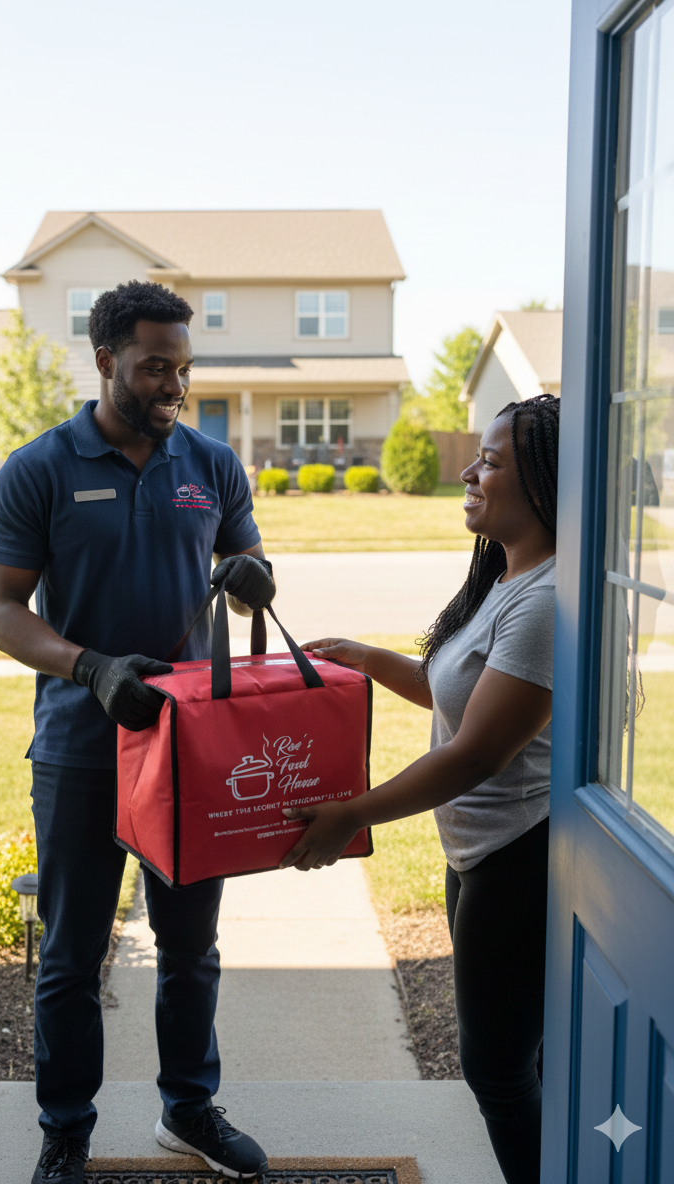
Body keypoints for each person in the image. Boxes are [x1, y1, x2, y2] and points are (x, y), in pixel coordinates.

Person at [0, 280, 272, 1184]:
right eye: (153, 367)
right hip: (82, 745)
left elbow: (243, 553)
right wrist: (92, 668)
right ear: (105, 360)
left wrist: (253, 574)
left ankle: (189, 1109)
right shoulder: (38, 469)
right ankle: (66, 1129)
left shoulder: (211, 463)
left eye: (182, 369)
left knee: (191, 947)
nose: (171, 385)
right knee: (72, 953)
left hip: (191, 748)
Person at [283, 394, 560, 1184]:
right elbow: (462, 695)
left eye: (493, 461)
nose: (469, 472)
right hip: (480, 853)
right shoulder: (512, 578)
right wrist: (369, 658)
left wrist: (352, 816)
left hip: (520, 856)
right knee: (507, 1063)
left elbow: (475, 753)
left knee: (499, 1071)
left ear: (542, 485)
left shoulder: (546, 602)